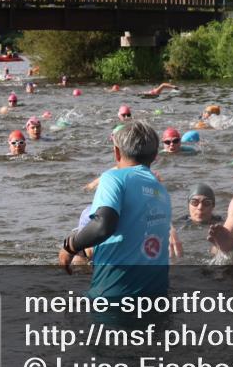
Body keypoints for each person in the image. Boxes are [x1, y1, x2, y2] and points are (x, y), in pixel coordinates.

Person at [58, 121, 174, 299]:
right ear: (155, 156)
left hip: (114, 296)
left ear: (117, 153)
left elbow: (103, 225)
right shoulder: (162, 192)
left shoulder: (113, 178)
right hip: (157, 295)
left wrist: (70, 246)